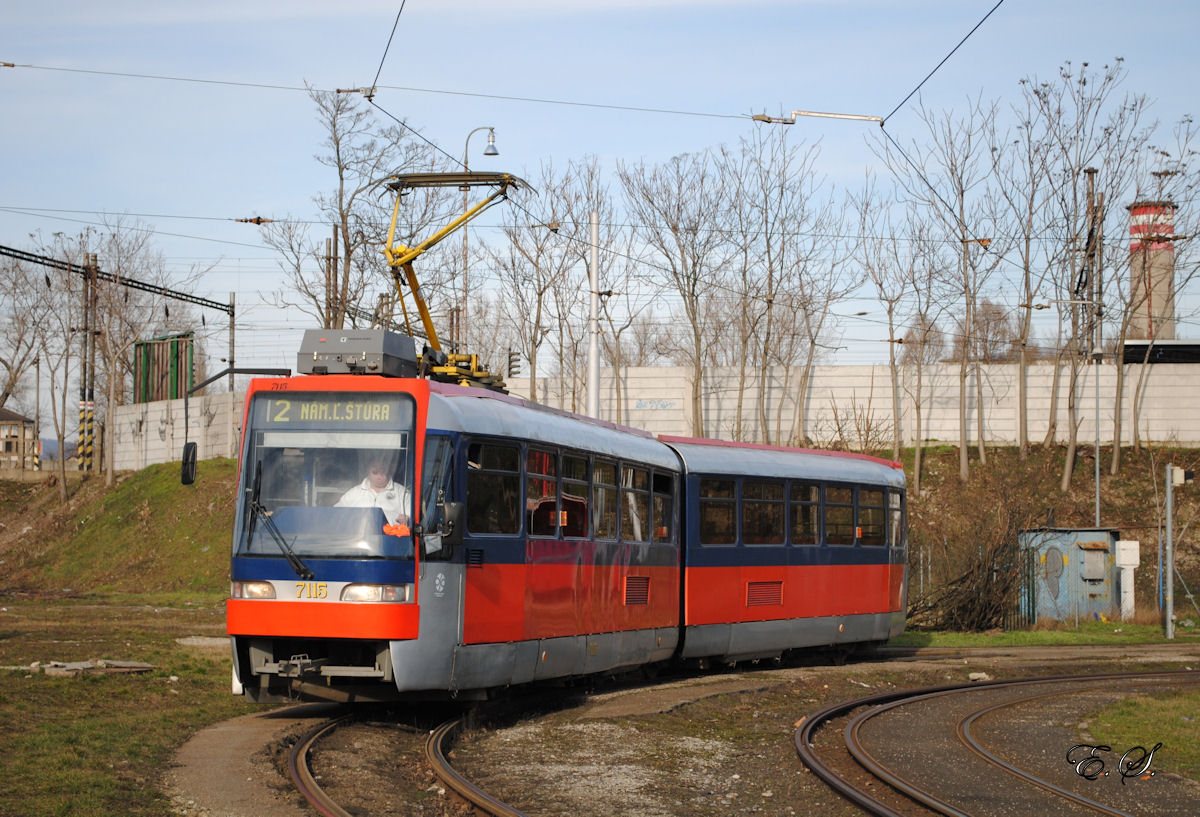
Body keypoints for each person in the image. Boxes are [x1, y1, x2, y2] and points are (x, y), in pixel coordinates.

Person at [336, 454, 410, 526]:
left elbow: (412, 518)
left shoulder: (402, 493)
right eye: (375, 472)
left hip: (392, 537)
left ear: (389, 471)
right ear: (367, 472)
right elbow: (336, 513)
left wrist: (406, 518)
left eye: (383, 472)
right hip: (358, 537)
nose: (379, 476)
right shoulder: (354, 493)